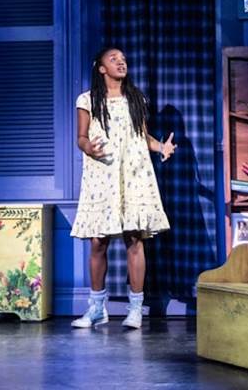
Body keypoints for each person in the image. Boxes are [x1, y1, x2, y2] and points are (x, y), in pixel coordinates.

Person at [70, 47, 175, 331]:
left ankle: (136, 309)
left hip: (133, 174)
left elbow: (141, 135)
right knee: (98, 242)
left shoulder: (136, 98)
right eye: (114, 59)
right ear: (101, 67)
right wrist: (88, 147)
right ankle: (96, 309)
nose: (121, 62)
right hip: (102, 175)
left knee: (134, 239)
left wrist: (161, 147)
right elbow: (81, 137)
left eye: (124, 59)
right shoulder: (87, 99)